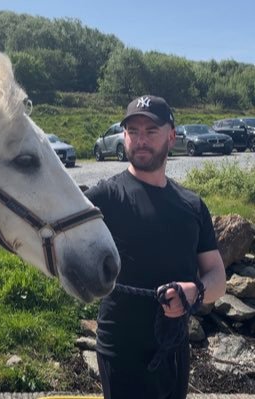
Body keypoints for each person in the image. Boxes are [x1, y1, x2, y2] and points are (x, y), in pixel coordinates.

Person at [85, 95, 226, 399]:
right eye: (132, 132)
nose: (140, 140)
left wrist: (195, 292)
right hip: (121, 353)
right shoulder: (105, 198)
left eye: (150, 131)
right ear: (123, 137)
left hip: (175, 352)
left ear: (172, 136)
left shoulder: (192, 205)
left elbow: (217, 276)